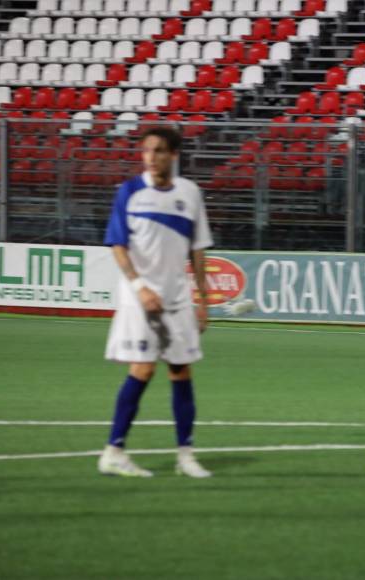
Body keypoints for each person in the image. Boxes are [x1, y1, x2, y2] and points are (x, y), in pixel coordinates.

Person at [98, 127, 214, 479]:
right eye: (147, 150)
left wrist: (202, 300)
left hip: (177, 298)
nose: (151, 157)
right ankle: (114, 452)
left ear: (174, 155)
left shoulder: (190, 193)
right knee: (143, 369)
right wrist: (140, 287)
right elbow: (118, 246)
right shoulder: (130, 191)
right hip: (140, 299)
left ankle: (186, 456)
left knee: (181, 370)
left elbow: (197, 251)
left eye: (160, 150)